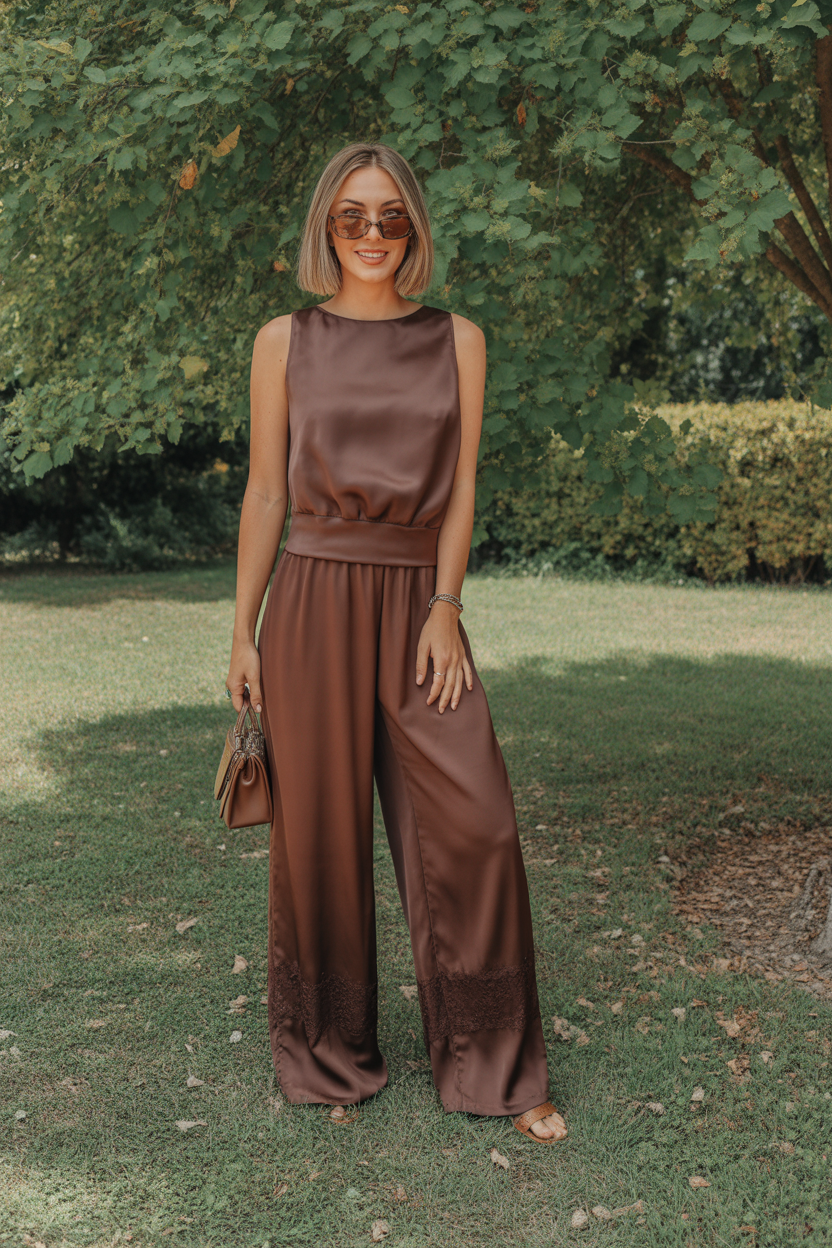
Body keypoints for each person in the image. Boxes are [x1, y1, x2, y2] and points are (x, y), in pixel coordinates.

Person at [224, 142, 567, 1144]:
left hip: (420, 599)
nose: (370, 234)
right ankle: (329, 1052)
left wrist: (448, 604)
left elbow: (461, 490)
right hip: (312, 597)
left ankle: (496, 1065)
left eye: (388, 217)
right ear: (324, 229)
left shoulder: (458, 339)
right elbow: (265, 492)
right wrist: (240, 635)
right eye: (350, 218)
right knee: (318, 835)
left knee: (477, 824)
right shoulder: (282, 341)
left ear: (414, 227)